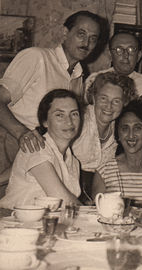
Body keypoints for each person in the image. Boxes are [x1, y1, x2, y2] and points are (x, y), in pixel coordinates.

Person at [0, 10, 103, 181]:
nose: (86, 43)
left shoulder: (79, 76)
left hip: (43, 153)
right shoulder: (36, 57)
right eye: (81, 34)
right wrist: (21, 133)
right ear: (65, 33)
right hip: (12, 142)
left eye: (93, 38)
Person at [0, 89, 83, 209]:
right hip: (12, 220)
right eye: (60, 115)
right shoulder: (37, 147)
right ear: (45, 122)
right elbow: (64, 200)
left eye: (74, 114)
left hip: (45, 222)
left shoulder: (74, 162)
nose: (69, 121)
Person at [92, 100, 142, 202]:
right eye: (125, 128)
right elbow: (96, 213)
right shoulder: (104, 171)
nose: (131, 135)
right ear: (118, 135)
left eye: (137, 128)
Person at [72, 72, 136, 201]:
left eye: (116, 101)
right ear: (94, 97)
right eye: (103, 98)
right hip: (69, 187)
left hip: (99, 191)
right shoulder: (78, 119)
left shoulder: (119, 127)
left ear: (124, 103)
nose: (109, 106)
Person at [84, 31, 142, 99]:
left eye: (131, 50)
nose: (125, 55)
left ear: (138, 56)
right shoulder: (94, 80)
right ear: (110, 55)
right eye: (119, 49)